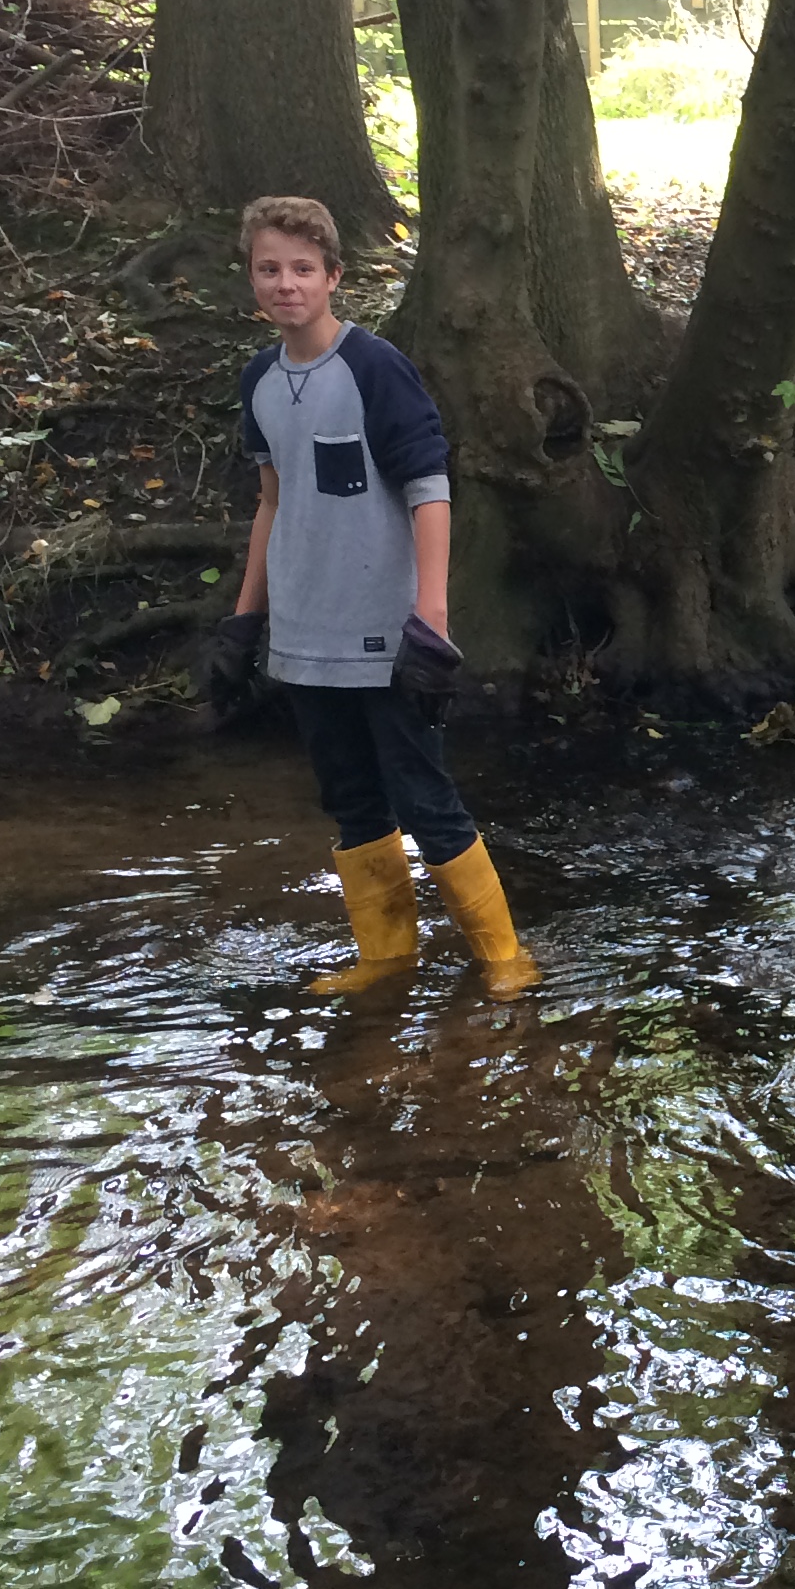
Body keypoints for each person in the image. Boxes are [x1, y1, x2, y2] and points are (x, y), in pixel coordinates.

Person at [203, 195, 538, 1001]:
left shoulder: (374, 367)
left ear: (333, 277)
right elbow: (272, 503)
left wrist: (431, 618)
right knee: (351, 801)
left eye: (302, 269)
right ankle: (385, 961)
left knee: (425, 799)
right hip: (303, 632)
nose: (286, 284)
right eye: (269, 269)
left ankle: (506, 962)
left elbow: (430, 489)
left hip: (388, 635)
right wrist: (245, 619)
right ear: (252, 279)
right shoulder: (257, 380)